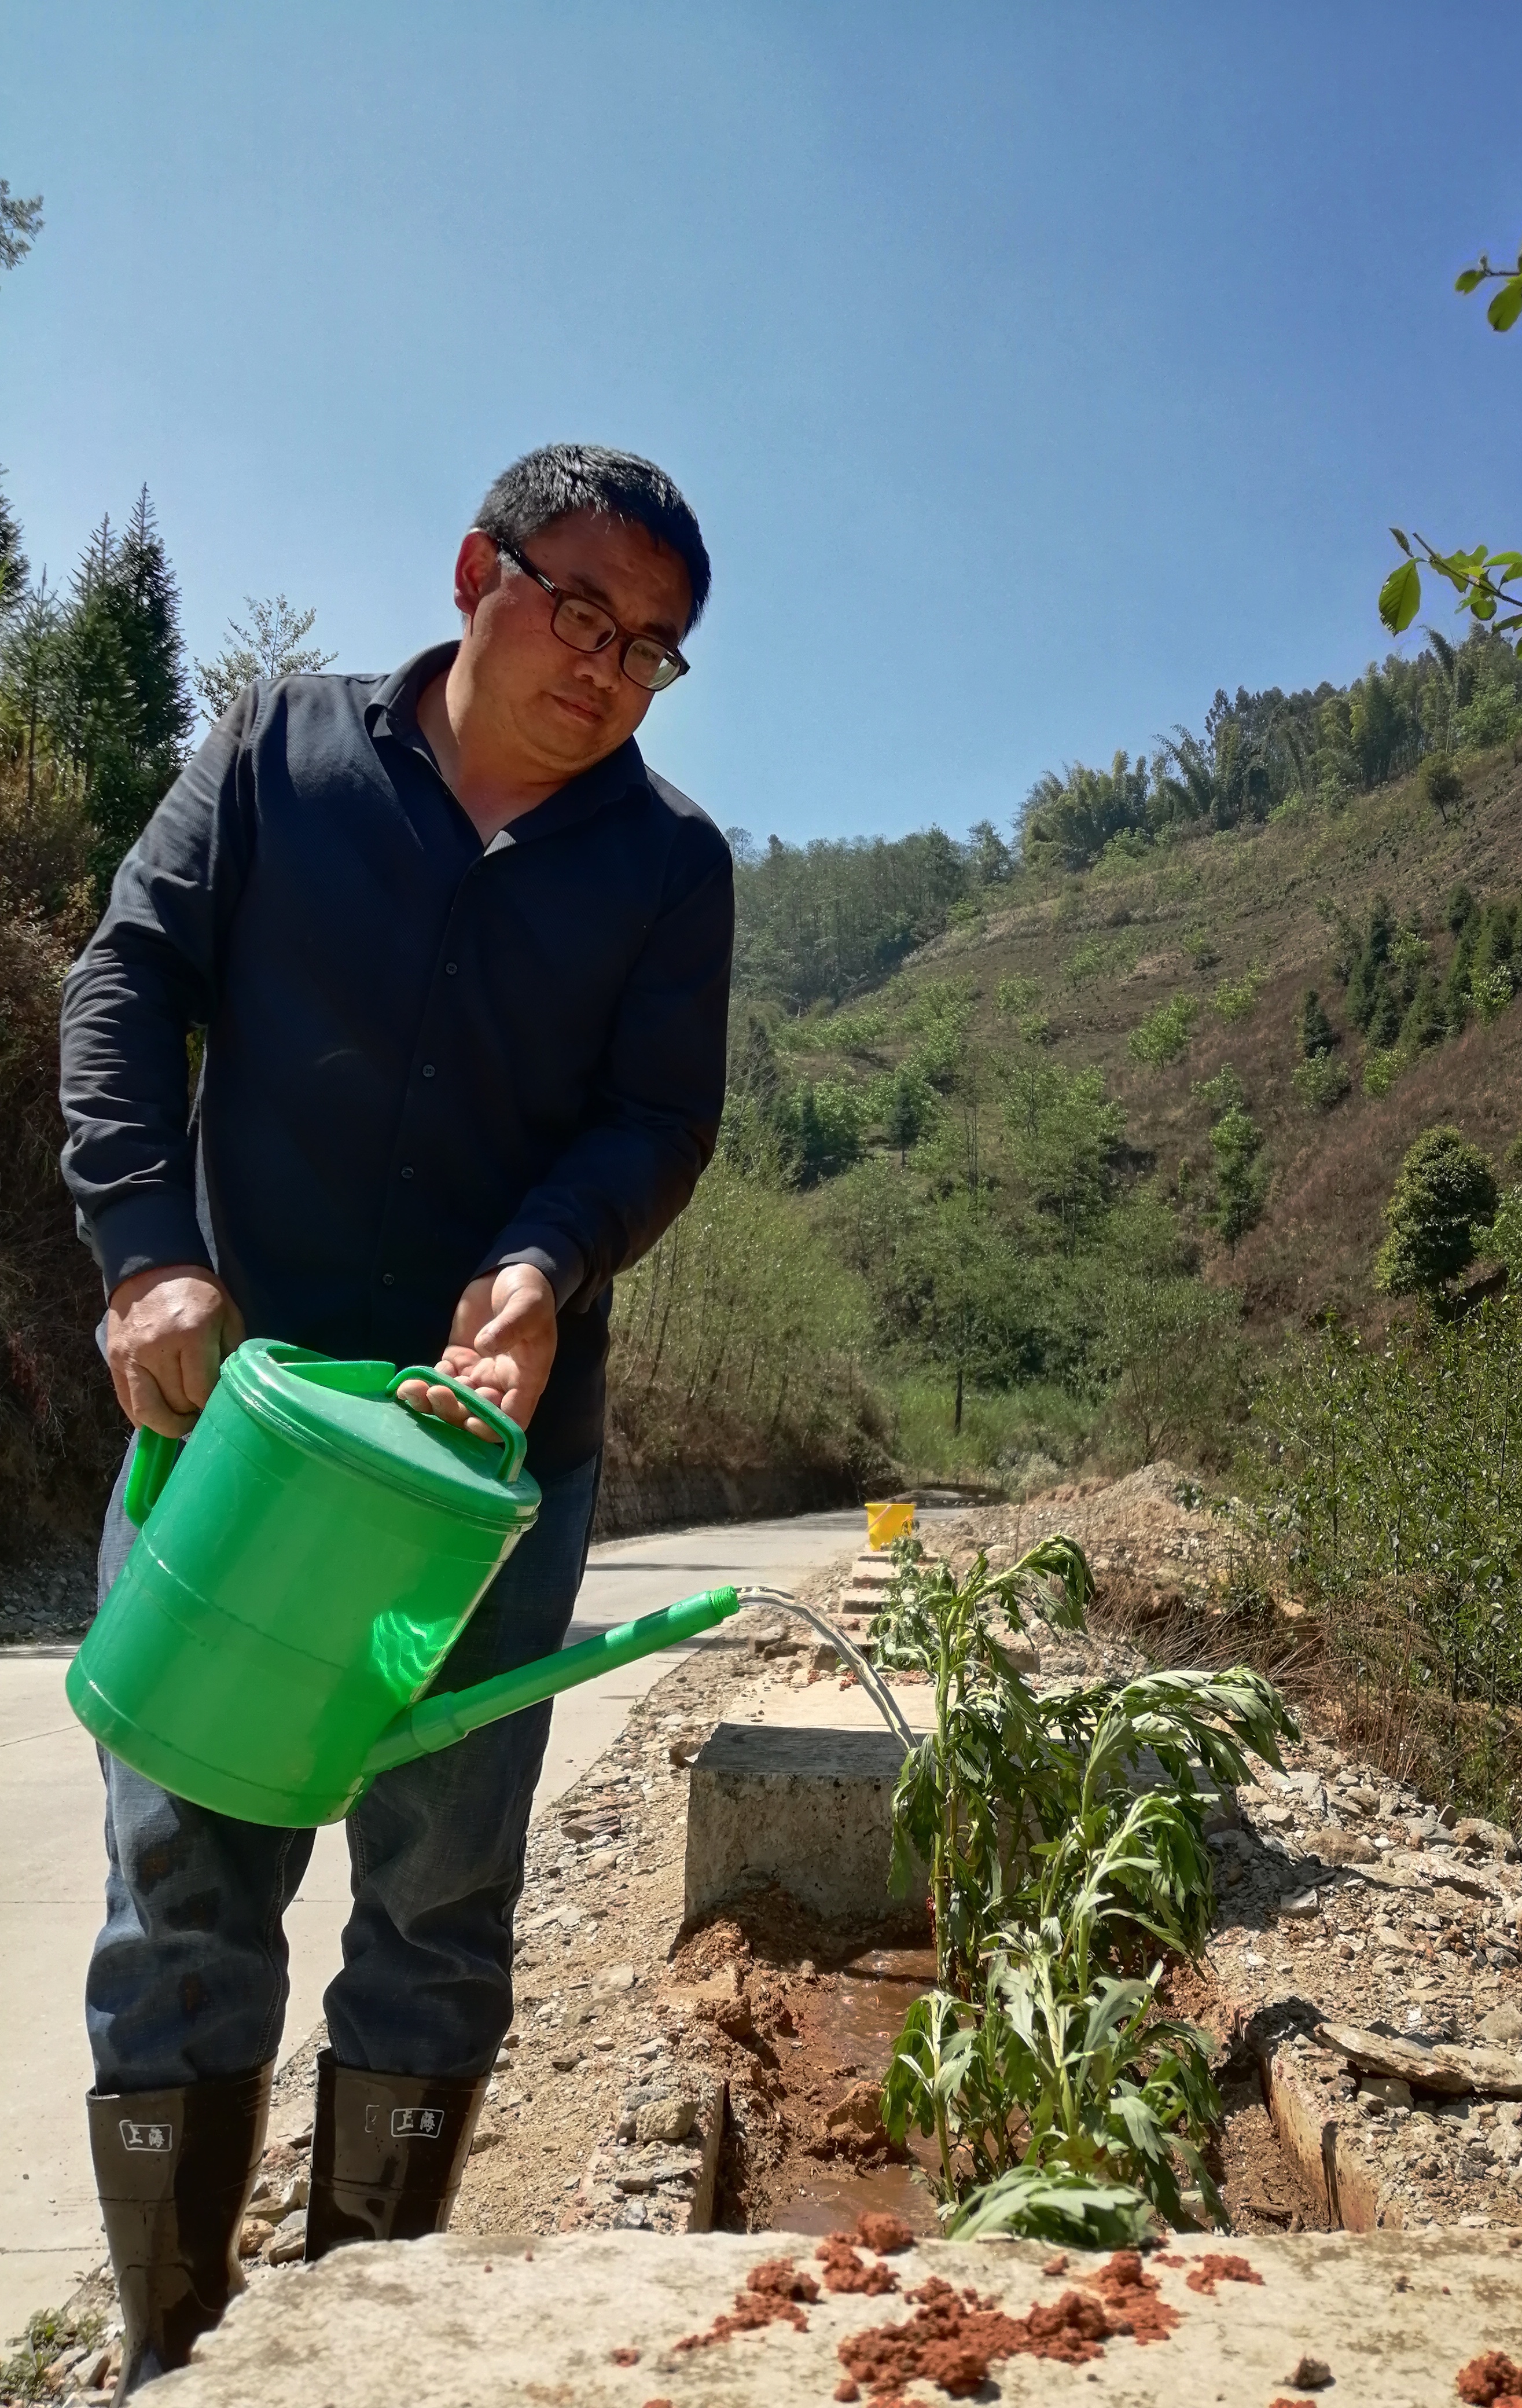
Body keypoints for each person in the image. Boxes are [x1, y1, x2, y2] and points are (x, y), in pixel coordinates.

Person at [57, 443, 733, 2395]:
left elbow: (654, 1124)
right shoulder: (279, 756)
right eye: (582, 611)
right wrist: (144, 1252)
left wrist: (540, 1269)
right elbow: (128, 978)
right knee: (182, 1886)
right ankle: (175, 2351)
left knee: (437, 1906)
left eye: (654, 648)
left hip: (480, 1479)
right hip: (231, 1447)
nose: (608, 667)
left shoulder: (669, 868)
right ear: (473, 572)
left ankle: (355, 2349)